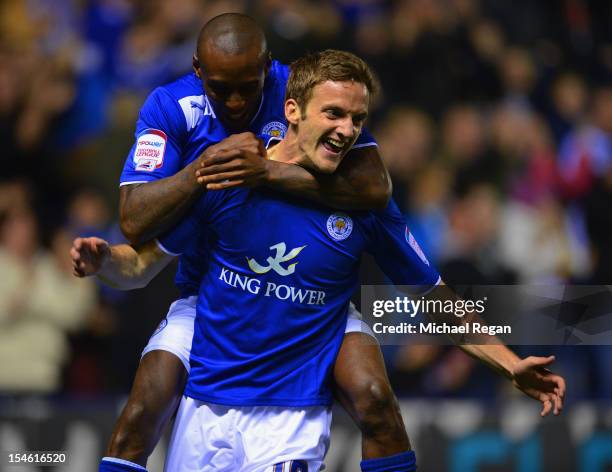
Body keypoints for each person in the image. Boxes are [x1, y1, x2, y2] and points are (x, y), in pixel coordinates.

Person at [74, 49, 565, 472]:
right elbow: (142, 264)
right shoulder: (230, 180)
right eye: (333, 114)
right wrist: (104, 261)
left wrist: (508, 363)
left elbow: (431, 296)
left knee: (375, 396)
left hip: (292, 416)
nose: (347, 130)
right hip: (208, 405)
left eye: (358, 119)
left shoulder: (366, 207)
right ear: (292, 110)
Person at [105, 11, 414, 472]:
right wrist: (204, 168)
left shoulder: (312, 95)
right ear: (197, 70)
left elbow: (376, 191)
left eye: (247, 88)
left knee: (374, 397)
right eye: (219, 88)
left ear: (269, 70)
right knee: (141, 410)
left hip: (314, 304)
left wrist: (266, 172)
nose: (234, 103)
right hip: (211, 291)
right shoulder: (173, 108)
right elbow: (134, 227)